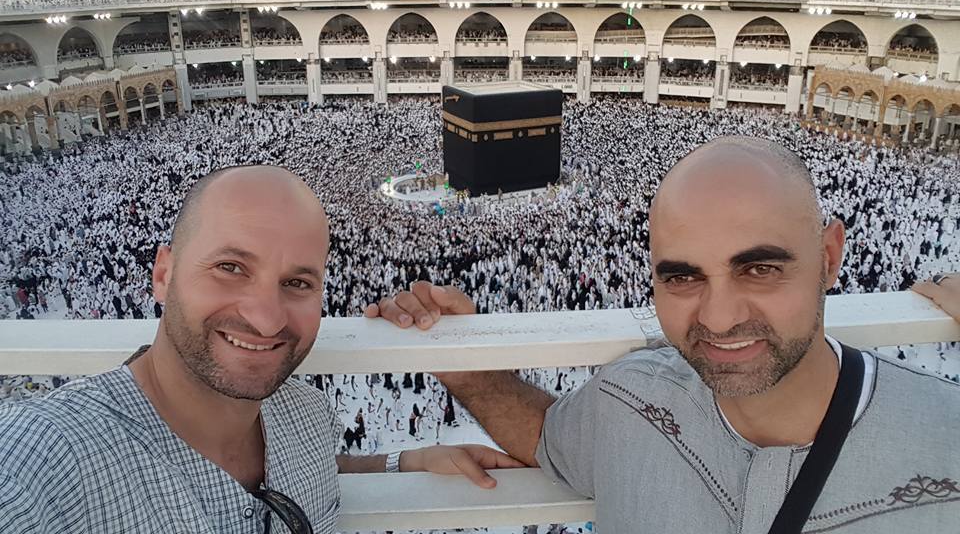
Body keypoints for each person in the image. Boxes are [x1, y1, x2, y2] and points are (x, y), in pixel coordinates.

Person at [368, 137, 960, 533]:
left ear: (830, 257)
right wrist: (471, 367)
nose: (720, 317)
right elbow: (549, 435)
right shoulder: (630, 400)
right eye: (683, 276)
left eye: (759, 269)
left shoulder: (946, 440)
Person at [0, 165, 522, 533]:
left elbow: (300, 464)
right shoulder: (43, 463)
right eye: (230, 268)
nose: (267, 316)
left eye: (298, 283)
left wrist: (405, 463)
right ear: (164, 274)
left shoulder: (305, 413)